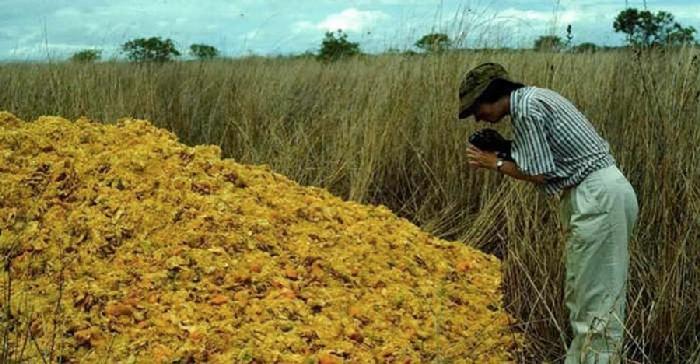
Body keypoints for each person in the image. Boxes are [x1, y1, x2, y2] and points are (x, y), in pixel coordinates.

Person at [459, 63, 638, 364]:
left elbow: (540, 172)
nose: (477, 117)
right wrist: (506, 147)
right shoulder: (534, 100)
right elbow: (548, 155)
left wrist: (496, 163)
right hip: (597, 194)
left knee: (597, 301)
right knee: (584, 296)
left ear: (491, 94)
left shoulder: (527, 109)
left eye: (476, 108)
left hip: (597, 197)